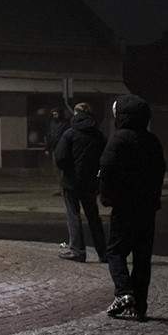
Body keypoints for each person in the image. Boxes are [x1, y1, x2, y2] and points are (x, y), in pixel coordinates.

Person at [99, 95, 165, 322]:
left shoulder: (118, 140)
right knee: (142, 257)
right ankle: (141, 305)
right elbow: (160, 172)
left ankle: (124, 293)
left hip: (125, 206)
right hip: (147, 208)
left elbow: (106, 170)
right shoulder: (152, 141)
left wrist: (107, 197)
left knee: (116, 251)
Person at [54, 102, 108, 263]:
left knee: (73, 215)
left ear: (76, 113)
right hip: (91, 182)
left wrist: (68, 170)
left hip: (71, 182)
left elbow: (61, 158)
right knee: (93, 217)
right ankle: (103, 252)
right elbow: (104, 159)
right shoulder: (99, 135)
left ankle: (78, 251)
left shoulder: (69, 134)